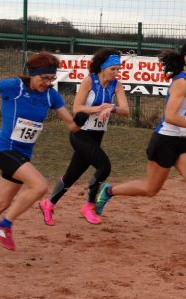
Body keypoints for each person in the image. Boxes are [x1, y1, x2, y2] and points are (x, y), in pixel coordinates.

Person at [93, 41, 186, 250]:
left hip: (182, 141)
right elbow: (169, 116)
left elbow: (182, 114)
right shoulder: (181, 82)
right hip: (165, 141)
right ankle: (109, 191)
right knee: (150, 189)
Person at [0, 51, 79, 258]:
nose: (48, 83)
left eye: (52, 78)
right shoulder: (15, 86)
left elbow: (71, 123)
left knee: (1, 203)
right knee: (39, 185)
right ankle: (5, 224)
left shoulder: (51, 95)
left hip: (22, 155)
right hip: (4, 149)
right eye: (44, 78)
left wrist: (92, 114)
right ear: (32, 74)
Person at [39, 48, 129, 226]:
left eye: (118, 69)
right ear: (103, 67)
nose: (116, 73)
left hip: (97, 135)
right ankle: (89, 206)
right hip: (80, 133)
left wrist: (111, 108)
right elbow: (76, 108)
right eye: (113, 69)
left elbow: (125, 110)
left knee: (72, 174)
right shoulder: (90, 80)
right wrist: (98, 108)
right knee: (104, 166)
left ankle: (48, 204)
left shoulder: (116, 85)